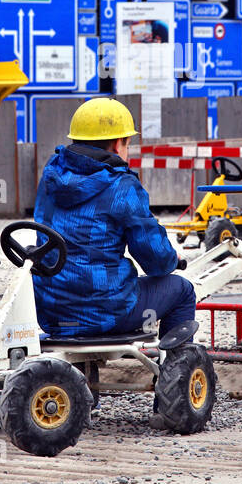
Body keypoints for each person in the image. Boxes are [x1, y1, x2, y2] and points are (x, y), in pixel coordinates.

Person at [32, 97, 198, 346]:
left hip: (52, 313)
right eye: (128, 143)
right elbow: (156, 263)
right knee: (182, 290)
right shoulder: (122, 186)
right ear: (118, 144)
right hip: (106, 313)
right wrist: (172, 258)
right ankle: (176, 372)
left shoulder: (51, 178)